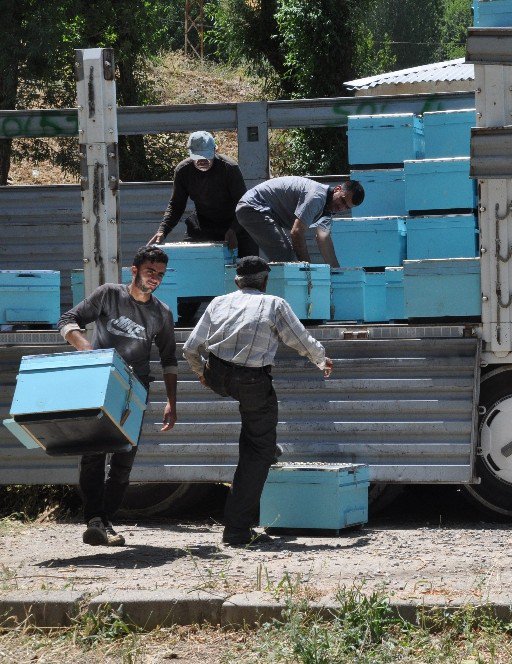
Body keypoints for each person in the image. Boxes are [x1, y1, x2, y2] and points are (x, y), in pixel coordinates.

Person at [181, 256, 333, 547]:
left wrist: (202, 373)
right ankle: (237, 530)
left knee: (256, 436)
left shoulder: (217, 303)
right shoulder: (274, 304)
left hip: (218, 376)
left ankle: (265, 447)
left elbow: (190, 347)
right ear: (265, 280)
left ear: (237, 280)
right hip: (251, 381)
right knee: (256, 452)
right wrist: (322, 360)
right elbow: (300, 340)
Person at [57, 246, 179, 547]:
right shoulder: (109, 295)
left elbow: (169, 360)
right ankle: (95, 519)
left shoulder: (161, 313)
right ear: (134, 270)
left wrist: (171, 402)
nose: (155, 279)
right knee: (93, 456)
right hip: (98, 385)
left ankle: (104, 520)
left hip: (134, 392)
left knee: (124, 460)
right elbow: (68, 321)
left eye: (160, 275)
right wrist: (88, 351)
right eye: (151, 272)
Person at [148, 131, 256, 326]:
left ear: (215, 150)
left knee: (250, 266)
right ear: (190, 154)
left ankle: (250, 316)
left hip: (235, 222)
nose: (203, 162)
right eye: (198, 158)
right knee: (189, 266)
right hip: (203, 224)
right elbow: (176, 204)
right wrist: (163, 230)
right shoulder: (183, 170)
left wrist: (233, 230)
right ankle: (184, 317)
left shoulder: (229, 168)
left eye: (207, 157)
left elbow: (243, 205)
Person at [235, 176, 364, 267]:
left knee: (291, 261)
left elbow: (323, 238)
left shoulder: (329, 209)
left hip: (263, 210)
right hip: (253, 206)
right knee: (286, 257)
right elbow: (296, 233)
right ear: (337, 189)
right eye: (342, 201)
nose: (341, 207)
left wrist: (338, 272)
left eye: (346, 207)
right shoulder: (317, 197)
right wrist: (308, 269)